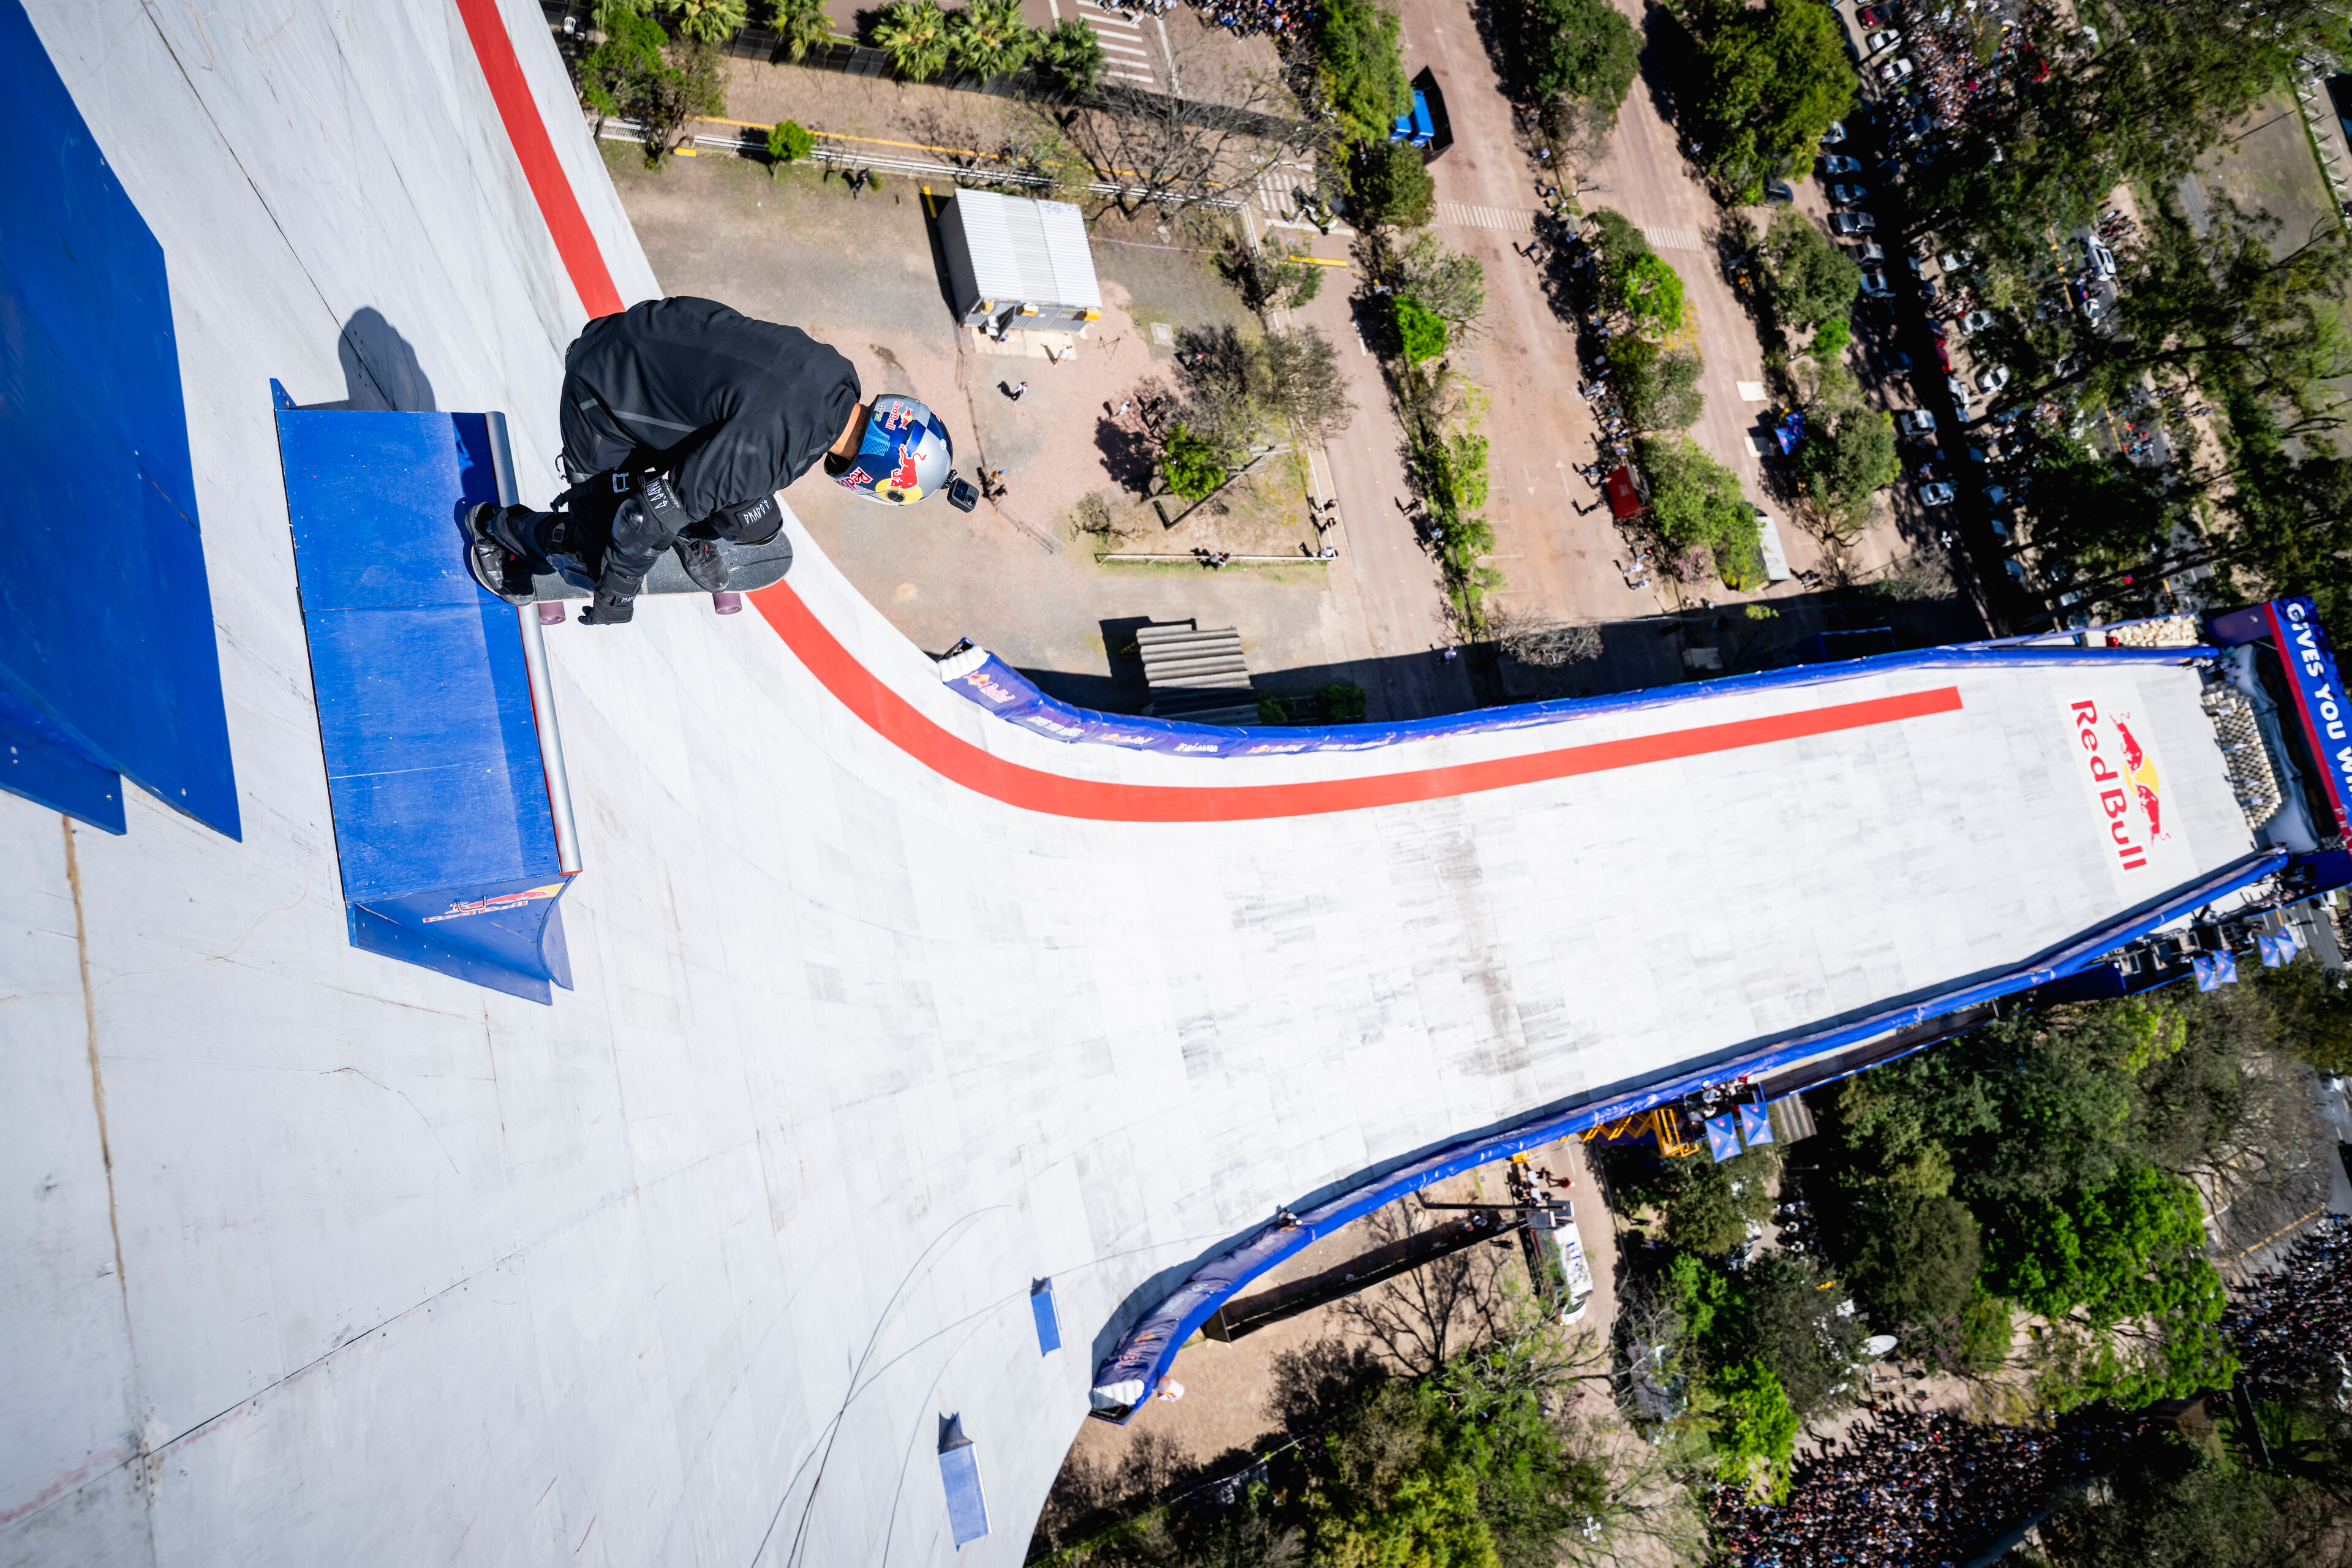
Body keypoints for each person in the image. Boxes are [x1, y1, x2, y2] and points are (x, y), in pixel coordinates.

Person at [462, 298, 968, 624]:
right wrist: (617, 594)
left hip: (637, 346)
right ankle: (503, 532)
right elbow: (645, 518)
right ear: (877, 475)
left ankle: (689, 524)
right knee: (604, 558)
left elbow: (744, 431)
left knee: (753, 517)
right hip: (602, 399)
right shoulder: (777, 449)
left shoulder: (836, 374)